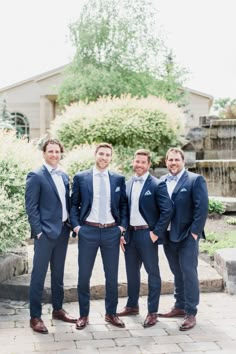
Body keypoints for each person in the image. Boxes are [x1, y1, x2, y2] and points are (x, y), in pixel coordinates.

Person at [70, 142, 128, 330]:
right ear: (95, 155)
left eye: (107, 155)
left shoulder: (118, 179)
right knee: (84, 275)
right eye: (101, 154)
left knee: (111, 276)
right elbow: (74, 205)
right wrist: (77, 227)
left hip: (112, 232)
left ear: (111, 158)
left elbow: (123, 206)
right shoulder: (81, 178)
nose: (104, 157)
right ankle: (83, 315)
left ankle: (111, 314)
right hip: (89, 231)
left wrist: (121, 228)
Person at [25, 138, 76, 334]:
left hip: (62, 232)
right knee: (38, 276)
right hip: (44, 234)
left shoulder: (64, 175)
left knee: (58, 275)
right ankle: (35, 317)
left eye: (57, 151)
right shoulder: (36, 175)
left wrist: (69, 224)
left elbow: (66, 202)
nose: (54, 155)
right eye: (51, 151)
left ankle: (57, 309)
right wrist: (38, 232)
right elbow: (31, 207)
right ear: (44, 153)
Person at [117, 149, 173, 327]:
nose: (139, 165)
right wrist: (122, 233)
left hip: (147, 234)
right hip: (130, 235)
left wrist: (156, 232)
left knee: (152, 273)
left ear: (148, 165)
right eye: (137, 161)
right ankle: (132, 305)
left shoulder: (157, 185)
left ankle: (152, 312)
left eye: (143, 162)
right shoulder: (127, 184)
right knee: (131, 273)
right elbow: (122, 211)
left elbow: (167, 210)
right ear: (133, 163)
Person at [158, 147, 208, 331]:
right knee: (176, 271)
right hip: (169, 235)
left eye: (176, 160)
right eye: (170, 160)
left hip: (187, 235)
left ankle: (190, 312)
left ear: (183, 161)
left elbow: (202, 209)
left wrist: (194, 233)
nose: (173, 163)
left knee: (189, 272)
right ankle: (179, 306)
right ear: (166, 162)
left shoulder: (195, 180)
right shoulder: (162, 181)